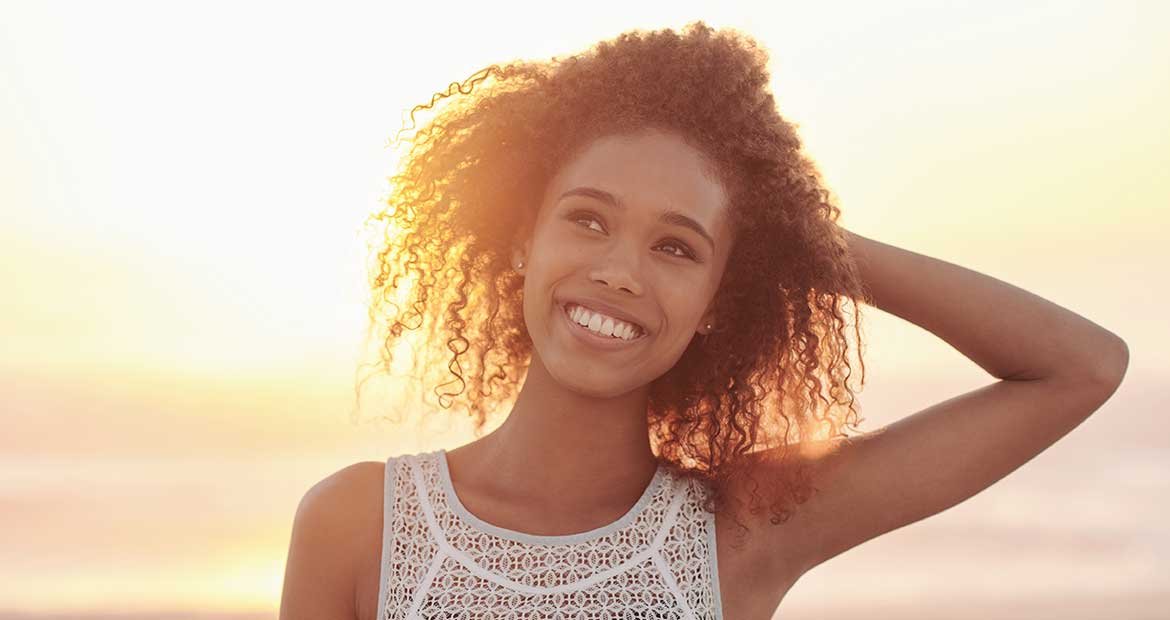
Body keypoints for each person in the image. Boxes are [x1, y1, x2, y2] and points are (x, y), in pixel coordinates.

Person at [278, 21, 1129, 620]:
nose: (618, 272)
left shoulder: (743, 531)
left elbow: (1080, 367)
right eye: (587, 220)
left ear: (724, 297)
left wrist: (808, 244)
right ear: (517, 242)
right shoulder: (360, 523)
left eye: (677, 248)